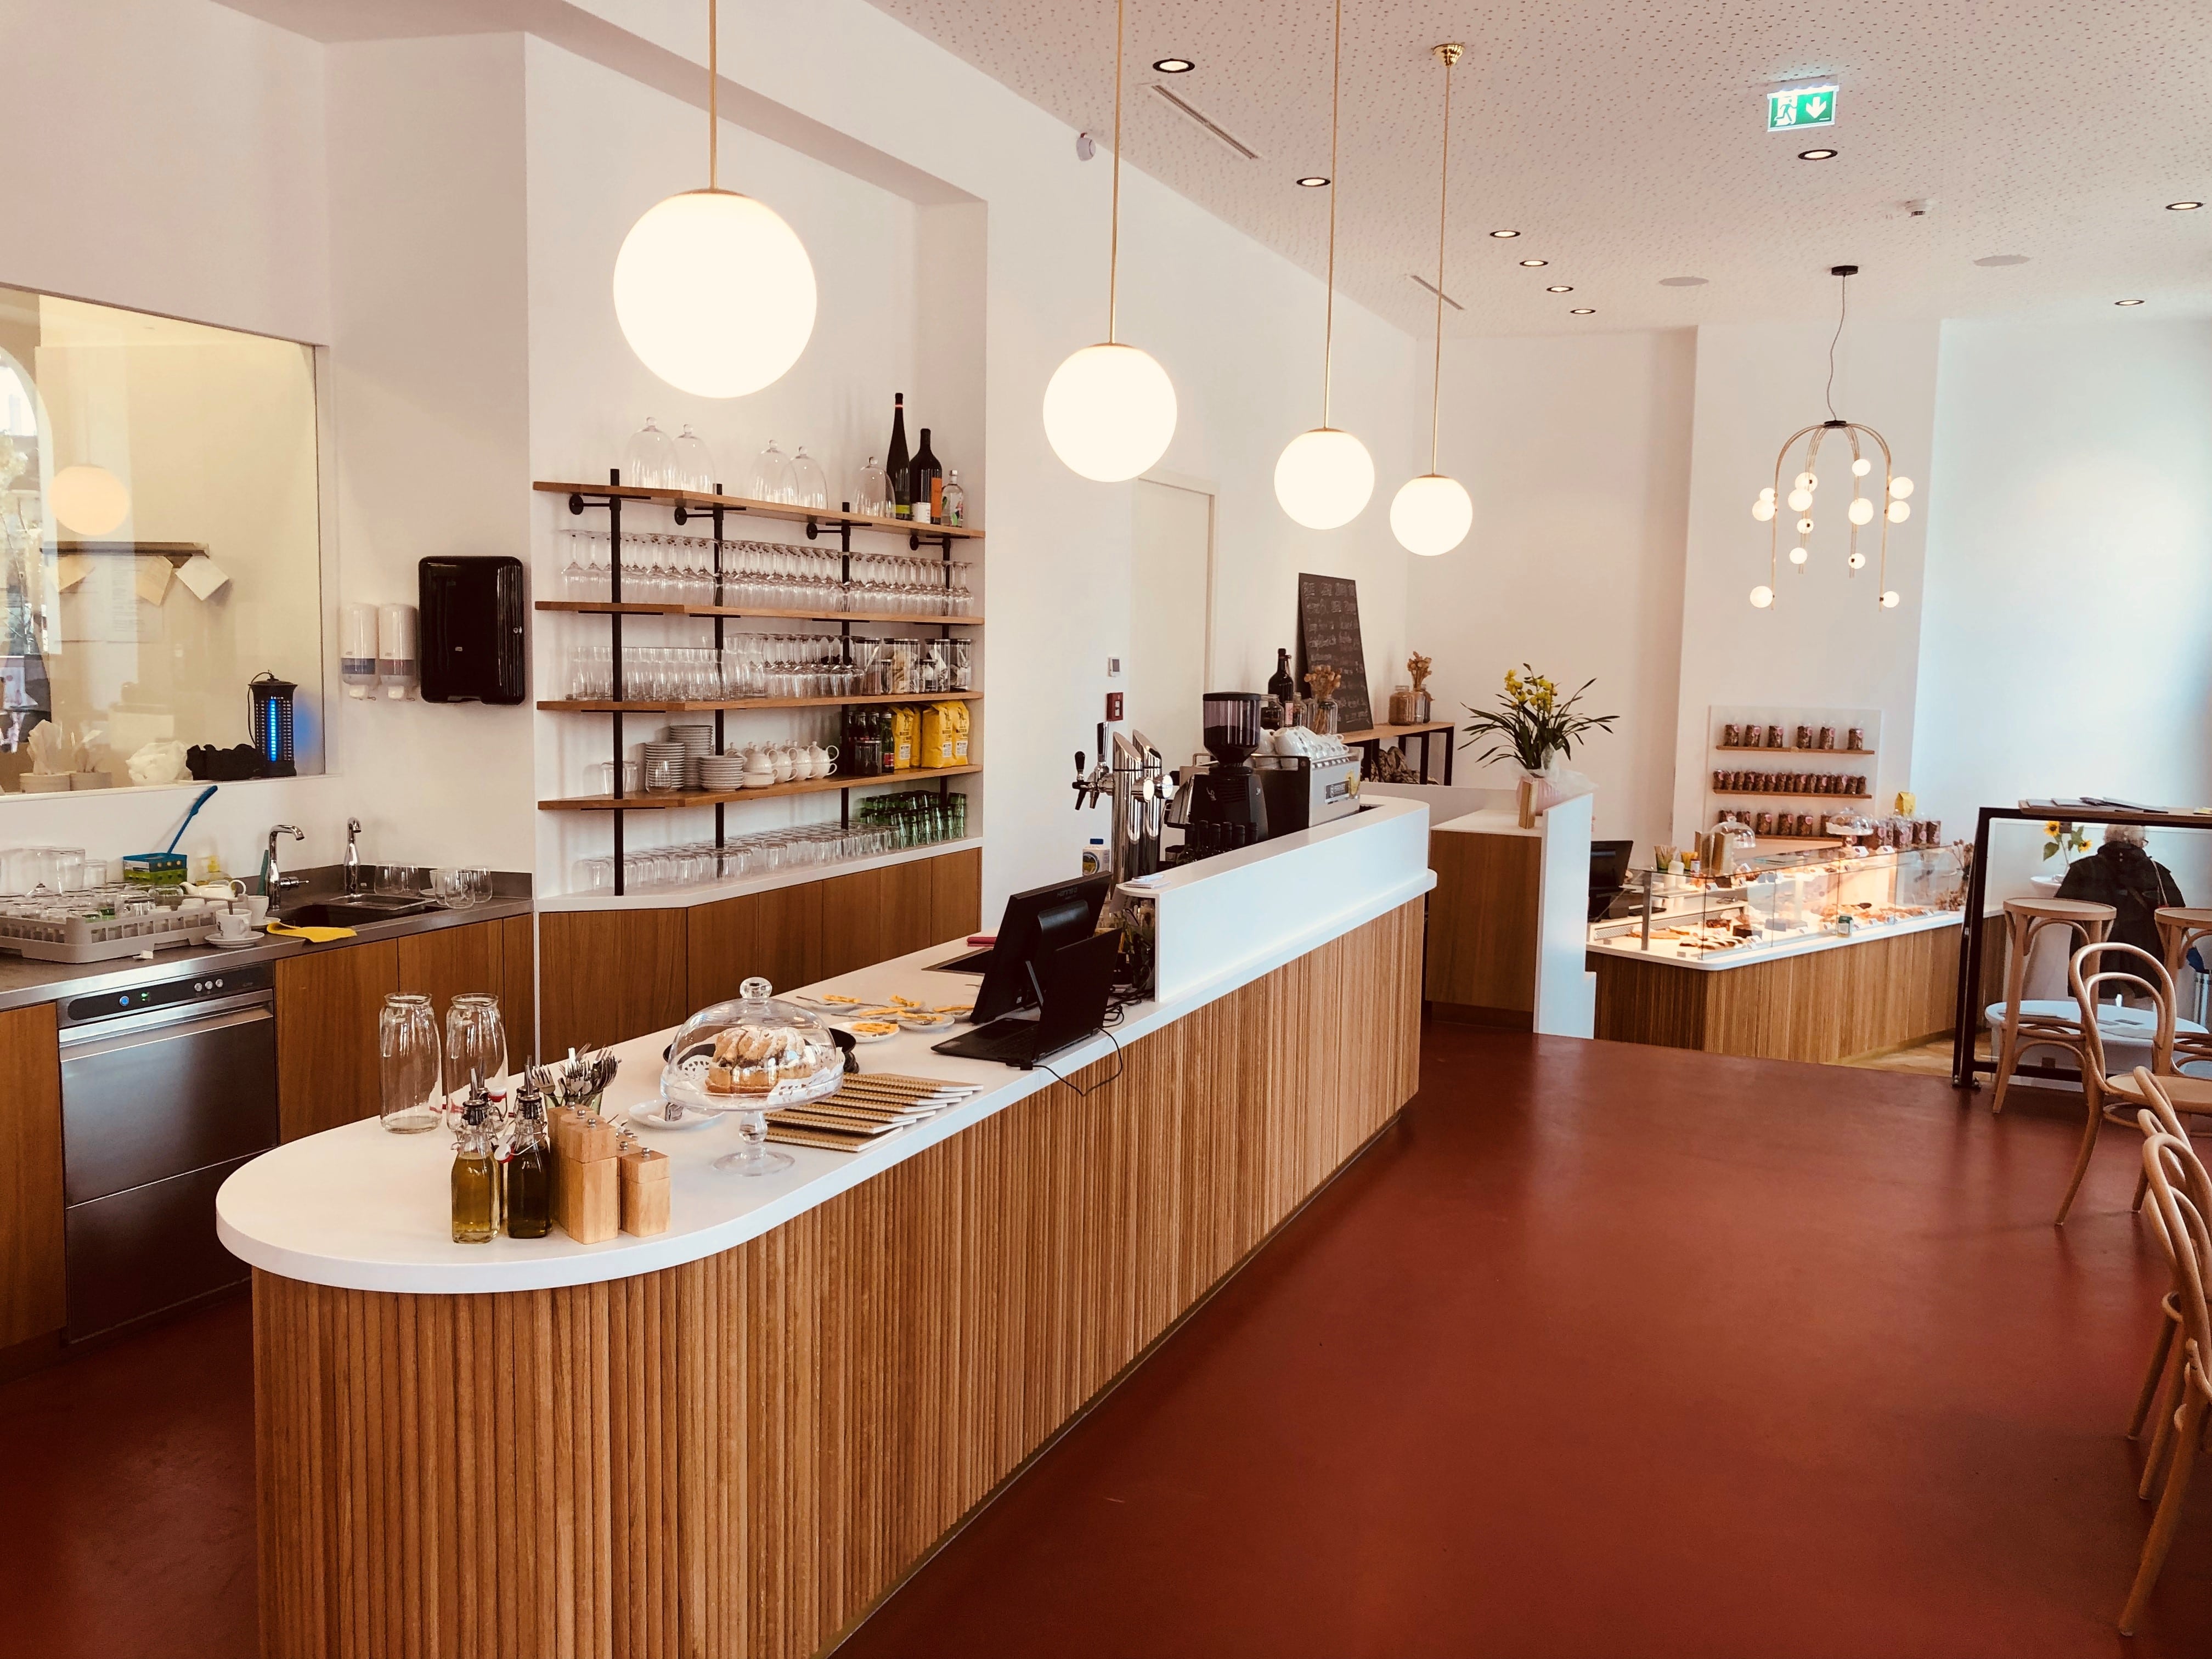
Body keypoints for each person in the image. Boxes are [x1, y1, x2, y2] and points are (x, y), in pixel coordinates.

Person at [2056, 823, 2184, 963]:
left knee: (2090, 978)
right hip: (2144, 957)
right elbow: (2178, 914)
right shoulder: (2157, 872)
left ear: (2106, 839)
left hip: (2092, 953)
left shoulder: (2083, 868)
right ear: (2140, 842)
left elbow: (2062, 909)